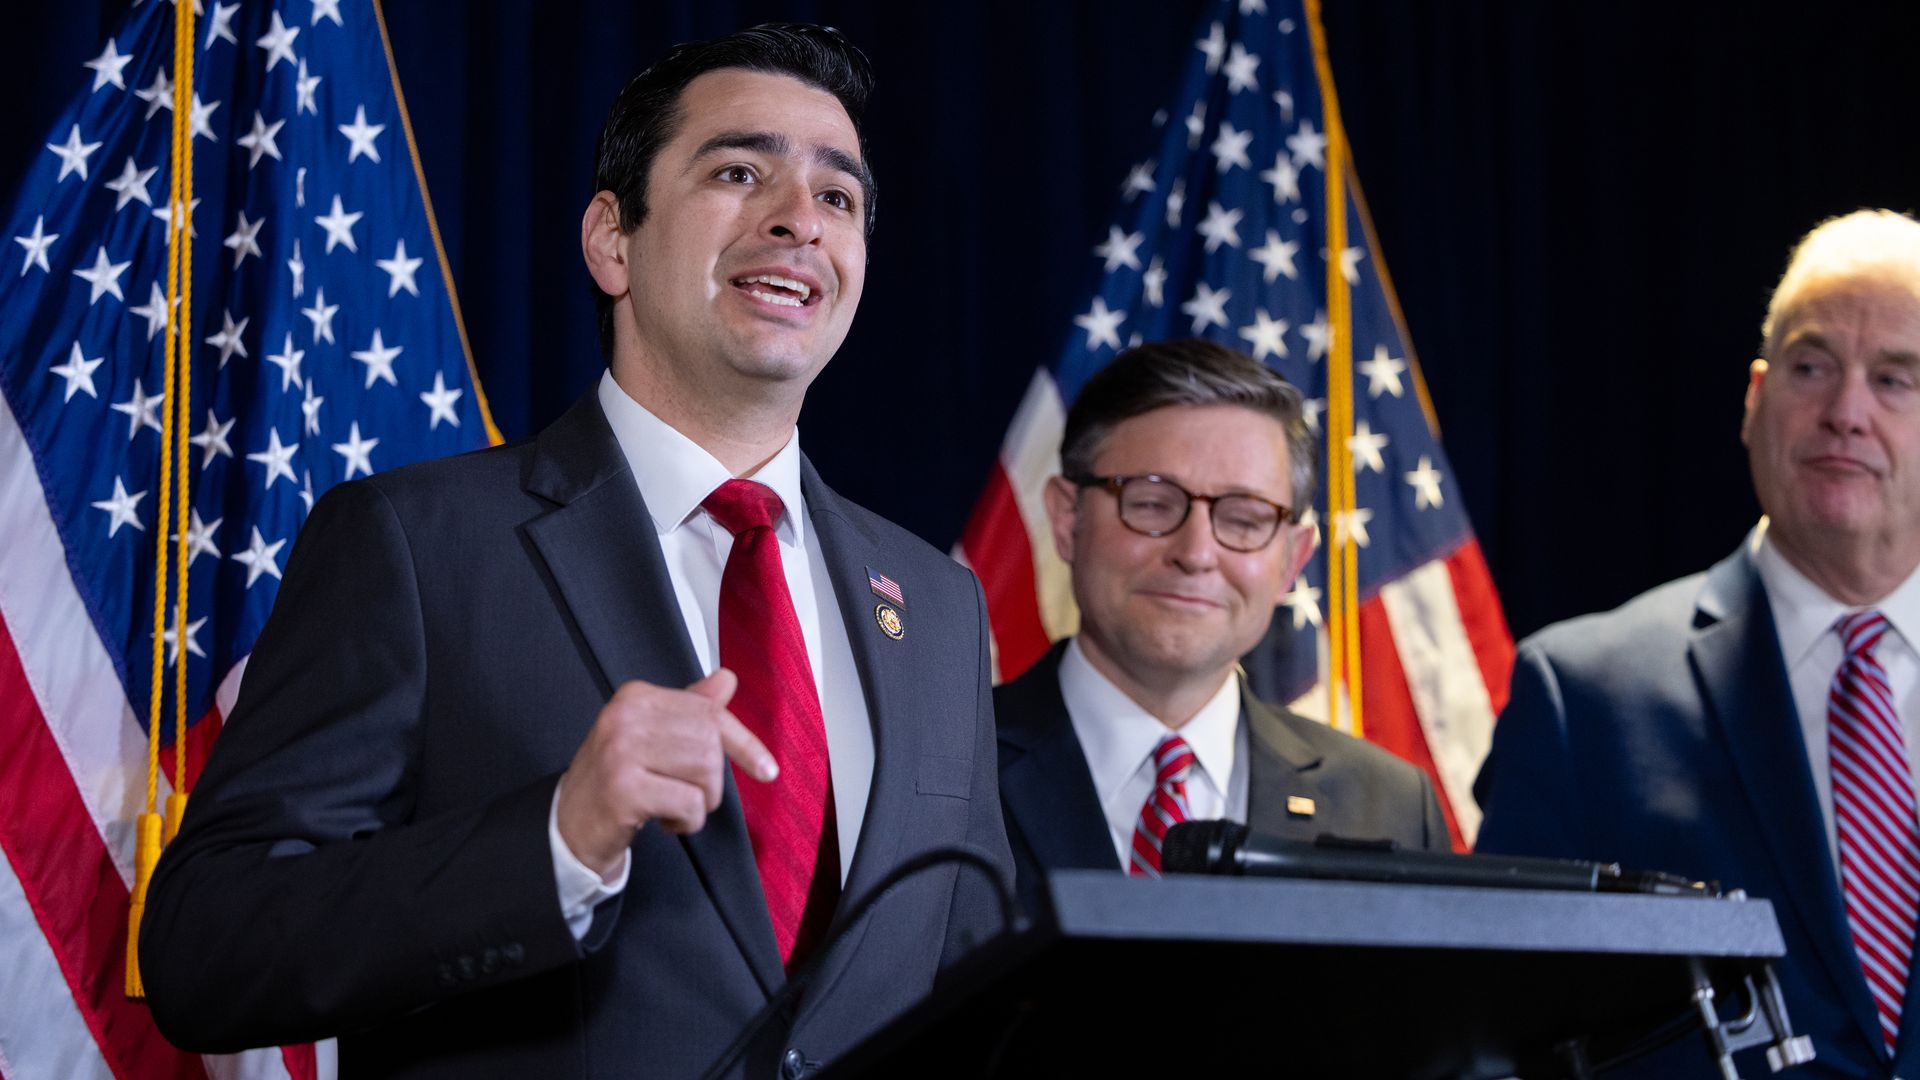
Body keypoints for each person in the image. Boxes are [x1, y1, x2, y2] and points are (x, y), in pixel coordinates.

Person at [140, 24, 1011, 1079]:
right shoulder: (416, 545)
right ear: (612, 240)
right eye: (740, 171)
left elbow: (972, 979)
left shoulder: (937, 603)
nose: (797, 221)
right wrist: (556, 840)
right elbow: (203, 948)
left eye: (838, 198)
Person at [1475, 209, 1920, 1078]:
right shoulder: (1581, 696)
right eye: (1811, 366)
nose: (1846, 412)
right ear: (1755, 402)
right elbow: (1501, 1043)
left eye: (1897, 378)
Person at [995, 339, 1448, 912]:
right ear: (1067, 519)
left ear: (1293, 559)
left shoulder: (1387, 803)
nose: (1197, 552)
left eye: (1244, 518)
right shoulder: (946, 768)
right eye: (1153, 503)